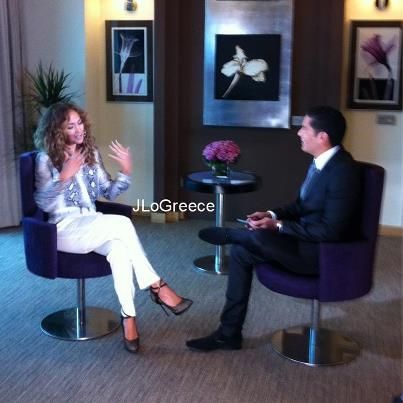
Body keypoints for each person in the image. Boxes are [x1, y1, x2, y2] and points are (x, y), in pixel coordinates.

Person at [186, 105, 361, 352]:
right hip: (302, 242)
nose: (299, 132)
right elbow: (301, 206)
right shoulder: (321, 163)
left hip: (321, 255)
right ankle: (228, 334)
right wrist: (271, 214)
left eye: (304, 128)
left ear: (322, 136)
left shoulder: (343, 172)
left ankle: (234, 235)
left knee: (255, 237)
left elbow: (331, 232)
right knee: (241, 252)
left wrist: (277, 226)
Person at [33, 102, 192, 354]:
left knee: (119, 250)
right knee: (122, 223)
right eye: (70, 126)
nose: (78, 129)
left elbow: (108, 191)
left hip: (92, 222)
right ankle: (157, 286)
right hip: (62, 229)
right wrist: (64, 176)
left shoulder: (91, 154)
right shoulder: (45, 159)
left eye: (79, 123)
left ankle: (129, 318)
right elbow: (43, 203)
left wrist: (125, 171)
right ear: (57, 131)